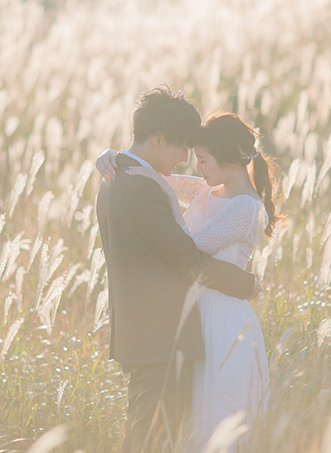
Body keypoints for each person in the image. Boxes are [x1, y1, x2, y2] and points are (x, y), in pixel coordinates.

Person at [97, 111, 280, 452]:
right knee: (184, 426)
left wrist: (169, 201)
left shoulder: (246, 208)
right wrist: (111, 158)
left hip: (222, 322)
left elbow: (190, 248)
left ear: (229, 160)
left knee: (215, 424)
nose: (197, 167)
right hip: (194, 319)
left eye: (203, 160)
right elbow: (151, 174)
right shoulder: (207, 190)